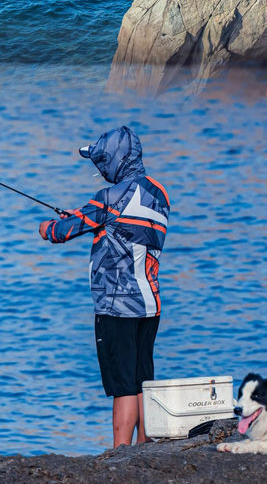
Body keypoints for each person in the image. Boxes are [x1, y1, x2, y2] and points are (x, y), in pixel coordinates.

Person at [39, 126, 170, 448]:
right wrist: (83, 216)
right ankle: (145, 444)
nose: (98, 169)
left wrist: (47, 227)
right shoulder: (158, 192)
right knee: (142, 379)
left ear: (115, 160)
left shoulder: (109, 197)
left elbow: (60, 232)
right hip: (149, 302)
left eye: (101, 161)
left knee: (122, 384)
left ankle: (119, 453)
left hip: (116, 305)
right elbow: (118, 223)